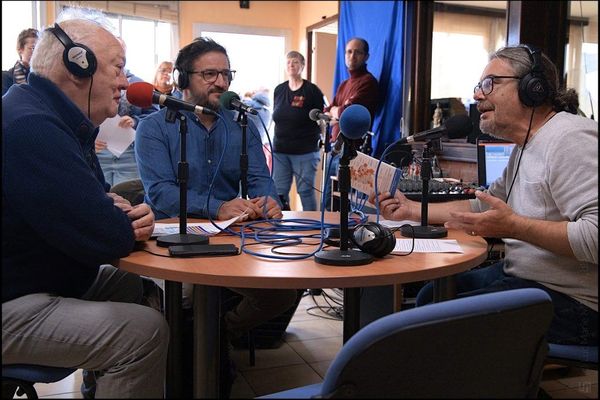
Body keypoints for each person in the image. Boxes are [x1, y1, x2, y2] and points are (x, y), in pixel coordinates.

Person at [371, 45, 598, 346]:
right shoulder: (524, 146)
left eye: (489, 83)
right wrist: (411, 209)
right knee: (430, 296)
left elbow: (595, 237)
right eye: (479, 86)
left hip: (577, 306)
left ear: (533, 88)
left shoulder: (569, 139)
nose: (478, 95)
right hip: (528, 281)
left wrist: (515, 227)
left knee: (432, 322)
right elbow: (480, 205)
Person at [2, 9, 169, 399]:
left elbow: (98, 205)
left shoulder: (53, 118)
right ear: (79, 64)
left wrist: (111, 212)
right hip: (12, 298)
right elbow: (105, 236)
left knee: (131, 285)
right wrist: (114, 217)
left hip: (33, 280)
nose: (126, 84)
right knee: (142, 333)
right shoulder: (32, 126)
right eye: (118, 68)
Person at [135, 37, 298, 393]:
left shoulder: (241, 125)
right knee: (190, 298)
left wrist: (269, 200)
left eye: (226, 74)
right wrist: (218, 207)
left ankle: (218, 329)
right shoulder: (152, 128)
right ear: (183, 78)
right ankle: (200, 341)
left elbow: (259, 179)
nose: (221, 83)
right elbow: (161, 192)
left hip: (233, 236)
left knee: (286, 286)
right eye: (210, 74)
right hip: (174, 237)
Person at [323, 37, 379, 210]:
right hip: (334, 148)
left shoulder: (368, 82)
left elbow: (345, 113)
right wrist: (337, 112)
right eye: (349, 51)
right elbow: (328, 110)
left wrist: (338, 113)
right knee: (328, 204)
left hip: (353, 153)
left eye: (357, 52)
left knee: (347, 206)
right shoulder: (344, 84)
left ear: (366, 56)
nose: (352, 56)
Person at [95, 39, 157, 187]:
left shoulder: (136, 83)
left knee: (128, 196)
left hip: (128, 153)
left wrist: (134, 121)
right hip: (99, 151)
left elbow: (153, 115)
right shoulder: (94, 82)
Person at [272, 51, 325, 211]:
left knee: (305, 192)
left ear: (302, 66)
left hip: (305, 152)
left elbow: (320, 118)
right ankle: (281, 228)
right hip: (280, 151)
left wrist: (321, 142)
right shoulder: (279, 90)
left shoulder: (312, 90)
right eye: (288, 62)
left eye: (295, 62)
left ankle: (313, 230)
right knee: (279, 193)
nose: (291, 65)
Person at [2, 28, 39, 96]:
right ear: (20, 49)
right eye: (33, 48)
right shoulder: (5, 77)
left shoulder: (43, 76)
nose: (36, 52)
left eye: (38, 48)